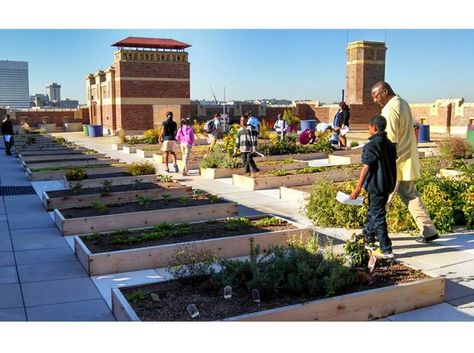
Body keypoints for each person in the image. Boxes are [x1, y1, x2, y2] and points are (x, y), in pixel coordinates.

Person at [371, 81, 439, 243]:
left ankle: (370, 232)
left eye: (376, 96)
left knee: (382, 199)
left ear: (385, 91)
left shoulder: (390, 109)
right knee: (410, 195)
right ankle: (428, 230)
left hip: (395, 163)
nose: (374, 100)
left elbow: (389, 140)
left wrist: (381, 163)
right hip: (407, 159)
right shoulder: (402, 103)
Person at [350, 115, 397, 259]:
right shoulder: (389, 144)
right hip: (387, 184)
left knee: (378, 216)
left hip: (377, 185)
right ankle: (368, 237)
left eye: (369, 127)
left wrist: (357, 188)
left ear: (374, 128)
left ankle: (386, 249)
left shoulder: (371, 145)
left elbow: (366, 168)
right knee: (373, 211)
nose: (368, 130)